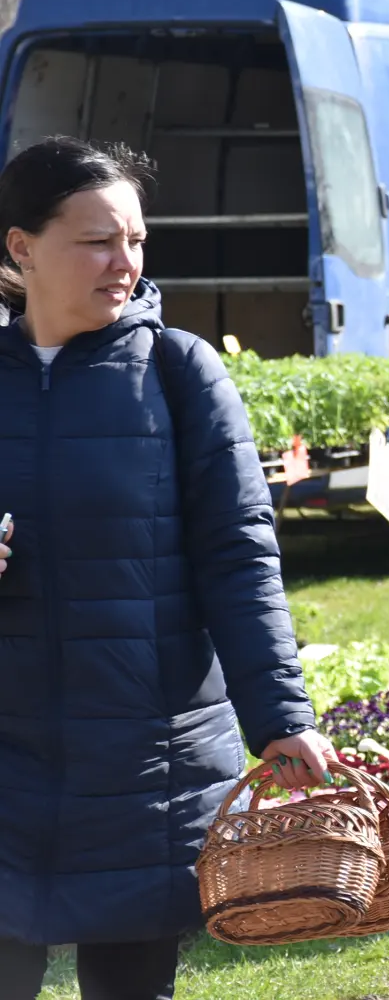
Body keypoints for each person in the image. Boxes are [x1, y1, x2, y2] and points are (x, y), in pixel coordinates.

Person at [0, 137, 333, 1000]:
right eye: (98, 241)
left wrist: (282, 717)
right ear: (21, 246)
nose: (125, 263)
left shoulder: (180, 374)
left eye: (137, 241)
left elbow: (239, 557)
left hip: (144, 767)